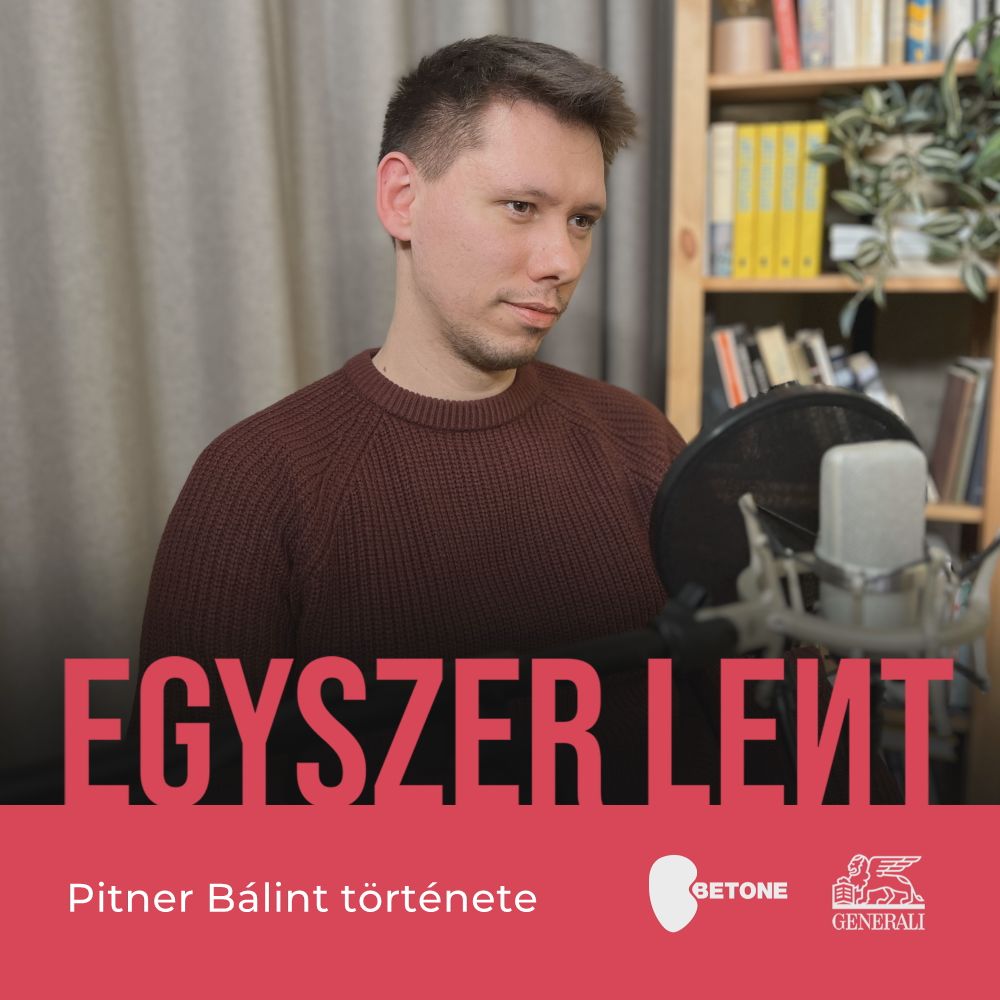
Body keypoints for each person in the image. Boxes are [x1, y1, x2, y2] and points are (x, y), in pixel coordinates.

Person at [134, 35, 686, 802]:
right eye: (521, 208)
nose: (562, 261)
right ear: (402, 198)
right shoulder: (253, 485)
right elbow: (182, 815)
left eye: (582, 220)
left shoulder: (640, 440)